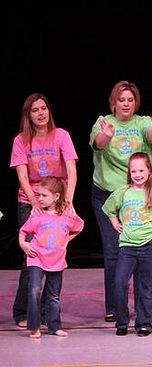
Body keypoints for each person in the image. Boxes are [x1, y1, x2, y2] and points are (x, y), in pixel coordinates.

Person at [90, 80, 152, 323]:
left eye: (130, 100)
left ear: (136, 103)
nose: (125, 104)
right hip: (109, 196)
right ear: (113, 102)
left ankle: (146, 309)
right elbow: (98, 145)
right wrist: (106, 134)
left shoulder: (143, 122)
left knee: (144, 254)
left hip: (141, 197)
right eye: (121, 100)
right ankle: (116, 307)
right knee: (114, 253)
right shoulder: (103, 122)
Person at [10, 93, 78, 328]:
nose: (40, 113)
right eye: (35, 110)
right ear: (28, 115)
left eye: (43, 108)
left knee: (54, 255)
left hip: (57, 200)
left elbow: (71, 170)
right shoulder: (21, 140)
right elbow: (22, 176)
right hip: (30, 202)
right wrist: (35, 203)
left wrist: (66, 202)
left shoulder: (62, 136)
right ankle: (23, 311)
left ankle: (49, 313)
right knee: (31, 257)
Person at [102, 152, 152, 336]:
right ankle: (122, 321)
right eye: (133, 171)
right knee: (119, 282)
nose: (137, 174)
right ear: (129, 173)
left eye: (141, 170)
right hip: (127, 246)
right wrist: (114, 222)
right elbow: (109, 208)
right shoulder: (123, 192)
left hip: (148, 245)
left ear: (149, 171)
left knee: (145, 285)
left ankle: (143, 323)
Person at [18, 176, 84, 338]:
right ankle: (34, 326)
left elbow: (79, 227)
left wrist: (65, 240)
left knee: (53, 295)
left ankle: (54, 326)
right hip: (36, 258)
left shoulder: (67, 216)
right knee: (34, 289)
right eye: (38, 195)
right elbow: (23, 231)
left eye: (44, 195)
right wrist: (23, 244)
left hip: (56, 261)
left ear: (56, 196)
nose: (39, 198)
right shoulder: (37, 215)